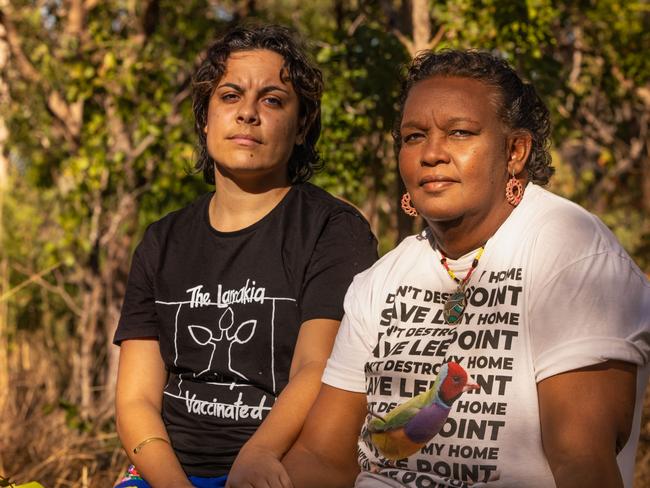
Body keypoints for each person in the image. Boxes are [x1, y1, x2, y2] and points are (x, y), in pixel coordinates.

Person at [282, 49, 650, 488]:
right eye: (414, 136)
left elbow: (580, 464)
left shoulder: (570, 251)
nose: (431, 153)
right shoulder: (380, 280)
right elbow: (323, 457)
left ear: (515, 151)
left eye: (459, 133)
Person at [113, 24, 378, 488]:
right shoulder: (162, 241)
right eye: (230, 96)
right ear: (204, 118)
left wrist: (257, 454)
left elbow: (315, 367)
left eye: (273, 100)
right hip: (166, 473)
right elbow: (135, 400)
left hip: (279, 467)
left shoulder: (332, 230)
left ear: (302, 127)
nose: (248, 114)